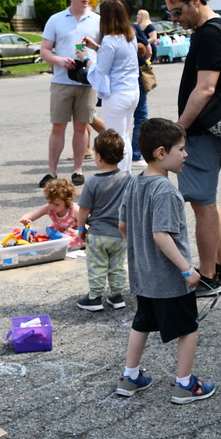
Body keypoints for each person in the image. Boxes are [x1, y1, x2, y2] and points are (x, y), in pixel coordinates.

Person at [115, 117, 215, 404]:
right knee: (188, 327)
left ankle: (130, 376)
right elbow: (161, 235)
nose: (186, 154)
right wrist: (187, 270)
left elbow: (123, 225)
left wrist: (138, 250)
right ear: (161, 153)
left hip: (143, 275)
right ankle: (185, 384)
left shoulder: (134, 183)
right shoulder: (167, 190)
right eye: (181, 149)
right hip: (170, 278)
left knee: (142, 323)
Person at [160, 0, 221, 297]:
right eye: (170, 14)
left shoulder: (208, 35)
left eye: (177, 11)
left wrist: (179, 129)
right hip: (208, 128)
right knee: (208, 200)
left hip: (201, 130)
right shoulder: (220, 28)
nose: (175, 19)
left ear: (195, 0)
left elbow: (205, 88)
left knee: (201, 204)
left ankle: (208, 277)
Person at [39, 0, 100, 188]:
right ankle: (51, 172)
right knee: (58, 126)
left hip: (87, 81)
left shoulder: (96, 20)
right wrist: (59, 60)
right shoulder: (56, 19)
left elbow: (104, 48)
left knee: (81, 127)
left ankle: (78, 169)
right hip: (62, 81)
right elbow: (44, 50)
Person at [77, 0, 139, 173]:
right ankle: (125, 175)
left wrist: (85, 58)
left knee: (116, 140)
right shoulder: (130, 35)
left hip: (117, 94)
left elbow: (102, 69)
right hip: (132, 91)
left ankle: (119, 180)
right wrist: (96, 47)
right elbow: (116, 58)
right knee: (124, 136)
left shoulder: (110, 40)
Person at [74, 129, 130, 312]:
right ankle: (117, 296)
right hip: (120, 233)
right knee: (117, 266)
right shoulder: (127, 178)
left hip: (98, 233)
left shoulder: (92, 182)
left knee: (97, 266)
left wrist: (81, 227)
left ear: (98, 156)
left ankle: (95, 297)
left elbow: (84, 209)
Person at [19, 177, 81, 247]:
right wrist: (25, 218)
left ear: (67, 202)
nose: (52, 207)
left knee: (75, 240)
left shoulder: (75, 210)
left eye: (57, 204)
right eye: (50, 202)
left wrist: (76, 232)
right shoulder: (49, 208)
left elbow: (84, 227)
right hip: (57, 233)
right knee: (40, 237)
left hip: (73, 234)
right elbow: (33, 214)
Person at [131, 8, 157, 166]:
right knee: (140, 116)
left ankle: (120, 154)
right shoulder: (133, 28)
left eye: (140, 14)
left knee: (124, 119)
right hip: (135, 76)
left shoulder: (146, 26)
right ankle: (135, 154)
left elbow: (151, 41)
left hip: (117, 81)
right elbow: (148, 50)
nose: (137, 16)